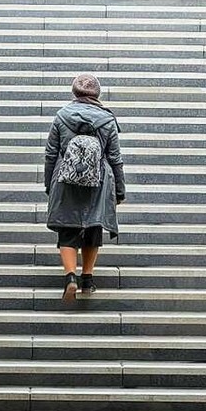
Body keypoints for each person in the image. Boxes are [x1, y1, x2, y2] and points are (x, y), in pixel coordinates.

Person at [44, 73, 126, 301]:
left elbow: (51, 153)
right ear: (97, 94)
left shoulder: (61, 116)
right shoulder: (107, 119)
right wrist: (119, 189)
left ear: (74, 92)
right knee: (93, 226)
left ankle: (70, 276)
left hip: (66, 178)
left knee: (67, 229)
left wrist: (49, 183)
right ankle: (87, 279)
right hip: (99, 181)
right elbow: (115, 158)